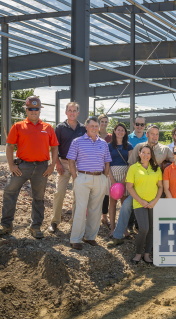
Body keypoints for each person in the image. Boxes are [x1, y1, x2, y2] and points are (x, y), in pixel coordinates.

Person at [0, 96, 58, 239]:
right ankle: (6, 225)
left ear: (40, 110)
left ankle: (35, 227)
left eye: (36, 109)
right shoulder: (17, 126)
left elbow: (54, 148)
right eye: (31, 109)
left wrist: (52, 166)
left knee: (39, 198)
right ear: (26, 110)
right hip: (22, 166)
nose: (34, 111)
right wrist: (11, 165)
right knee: (10, 191)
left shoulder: (48, 128)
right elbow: (9, 146)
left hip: (41, 168)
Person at [108, 125, 173, 248]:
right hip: (139, 188)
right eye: (152, 134)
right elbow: (131, 165)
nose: (154, 136)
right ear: (147, 134)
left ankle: (162, 240)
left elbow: (175, 162)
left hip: (156, 189)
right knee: (126, 205)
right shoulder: (139, 147)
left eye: (157, 134)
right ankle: (117, 236)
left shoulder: (165, 149)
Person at [67, 117, 112, 250]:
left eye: (96, 126)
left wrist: (104, 177)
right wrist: (76, 178)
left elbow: (107, 161)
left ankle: (90, 236)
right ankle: (76, 239)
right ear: (86, 127)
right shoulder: (77, 142)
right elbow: (71, 161)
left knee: (95, 209)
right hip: (83, 177)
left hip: (99, 178)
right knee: (81, 209)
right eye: (91, 125)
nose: (94, 128)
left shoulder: (103, 143)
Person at [49, 102, 87, 233]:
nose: (72, 112)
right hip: (64, 163)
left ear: (78, 113)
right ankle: (54, 221)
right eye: (69, 110)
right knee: (59, 192)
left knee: (78, 194)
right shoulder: (59, 127)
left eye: (74, 110)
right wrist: (57, 163)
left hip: (79, 164)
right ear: (66, 112)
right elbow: (54, 147)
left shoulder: (83, 128)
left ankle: (74, 222)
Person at [126, 145, 163, 264]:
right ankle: (138, 254)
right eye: (143, 152)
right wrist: (141, 201)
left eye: (148, 153)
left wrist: (155, 200)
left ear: (151, 155)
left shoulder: (156, 168)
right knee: (143, 228)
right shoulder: (133, 168)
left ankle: (147, 255)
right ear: (139, 154)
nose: (146, 155)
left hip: (153, 203)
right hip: (139, 203)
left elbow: (160, 186)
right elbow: (129, 187)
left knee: (152, 229)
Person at [108, 123, 133, 235]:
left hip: (125, 175)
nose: (120, 132)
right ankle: (113, 228)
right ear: (114, 131)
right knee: (112, 203)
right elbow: (106, 163)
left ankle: (124, 228)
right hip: (112, 174)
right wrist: (112, 179)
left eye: (123, 130)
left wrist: (124, 179)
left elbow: (131, 163)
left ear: (125, 133)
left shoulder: (129, 146)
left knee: (124, 204)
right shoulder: (109, 146)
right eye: (118, 130)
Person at [97, 114, 112, 227]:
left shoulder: (111, 137)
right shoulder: (93, 134)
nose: (104, 124)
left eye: (106, 122)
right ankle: (93, 215)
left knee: (105, 192)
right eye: (102, 121)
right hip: (94, 166)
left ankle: (104, 216)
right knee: (94, 191)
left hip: (106, 167)